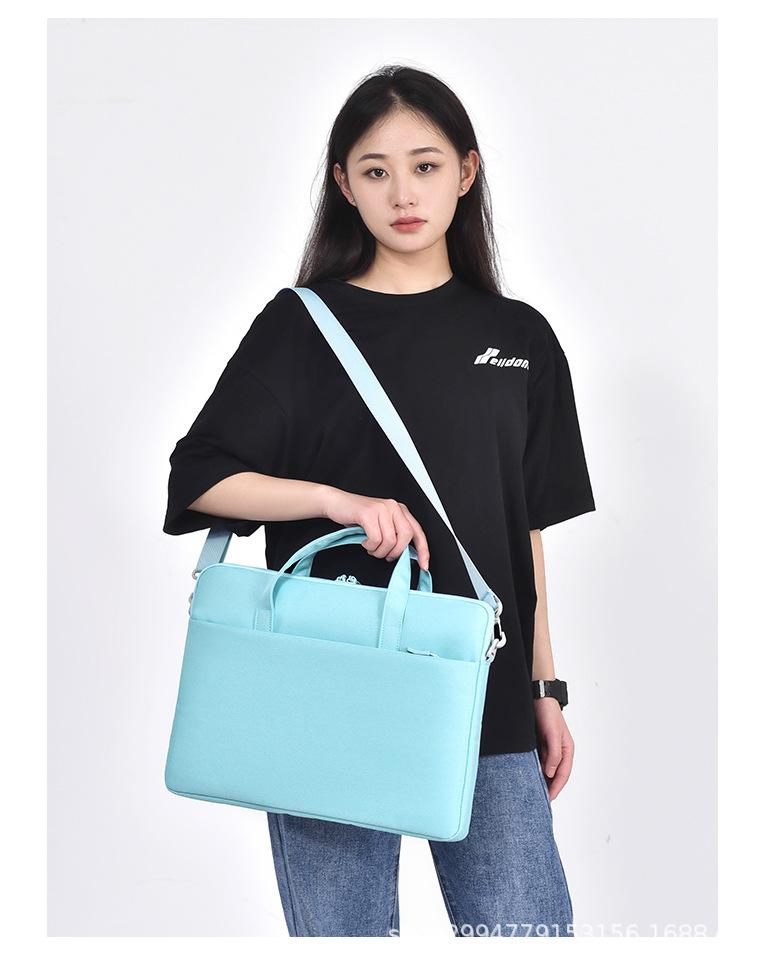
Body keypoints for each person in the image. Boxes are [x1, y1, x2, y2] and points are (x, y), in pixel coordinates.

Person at [163, 64, 596, 938]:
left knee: (527, 934)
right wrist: (336, 501)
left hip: (482, 689)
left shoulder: (520, 338)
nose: (403, 193)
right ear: (343, 184)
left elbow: (524, 533)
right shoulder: (300, 326)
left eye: (425, 166)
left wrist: (544, 685)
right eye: (375, 170)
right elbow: (198, 476)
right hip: (328, 686)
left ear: (466, 172)